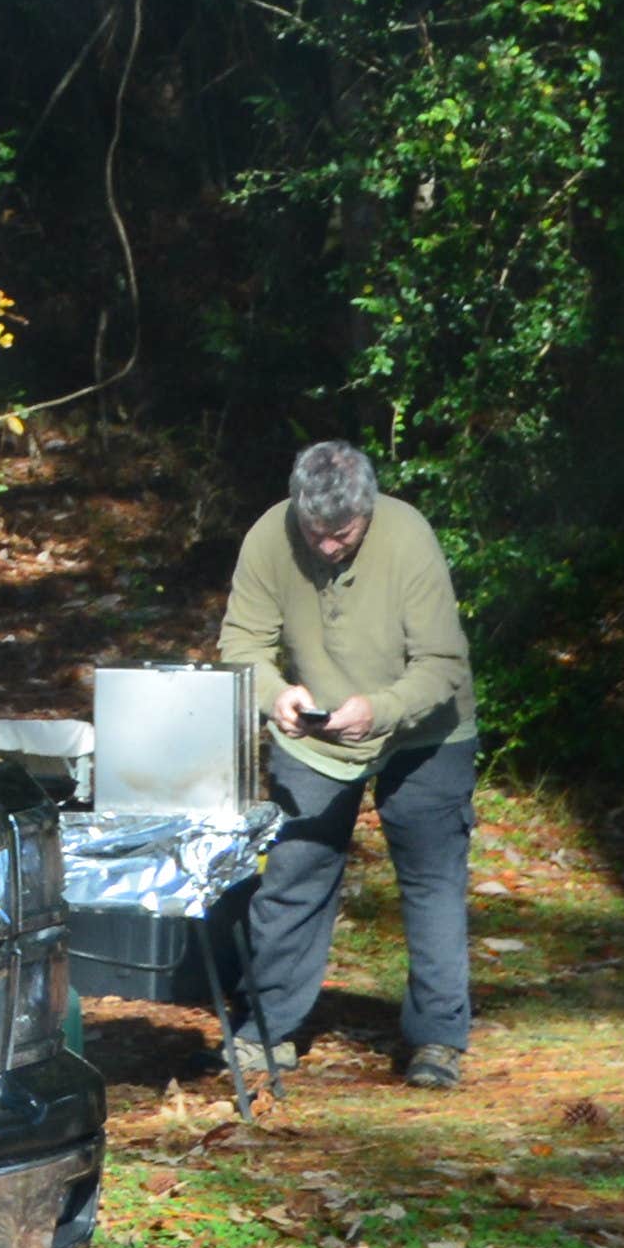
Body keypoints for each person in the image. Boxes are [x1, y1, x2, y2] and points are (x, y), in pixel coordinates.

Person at [217, 438, 475, 1104]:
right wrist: (275, 694)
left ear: (368, 509)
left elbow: (443, 667)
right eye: (316, 532)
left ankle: (437, 1039)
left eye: (344, 534)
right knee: (296, 873)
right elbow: (241, 643)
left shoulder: (408, 536)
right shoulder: (268, 538)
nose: (329, 546)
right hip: (316, 731)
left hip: (424, 728)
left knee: (431, 879)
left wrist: (381, 710)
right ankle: (267, 1025)